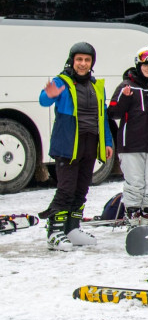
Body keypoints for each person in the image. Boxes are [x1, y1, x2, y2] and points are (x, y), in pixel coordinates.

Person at [39, 42, 113, 250]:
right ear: (72, 60)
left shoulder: (96, 86)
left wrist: (107, 141)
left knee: (81, 188)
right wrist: (50, 92)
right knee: (66, 189)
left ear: (92, 63)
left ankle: (72, 228)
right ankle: (55, 231)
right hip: (68, 144)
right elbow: (44, 101)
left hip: (90, 142)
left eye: (87, 60)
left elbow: (103, 116)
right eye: (79, 59)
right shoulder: (62, 81)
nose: (82, 64)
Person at [109, 47, 148, 225]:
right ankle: (133, 214)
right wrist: (125, 99)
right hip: (131, 144)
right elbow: (113, 113)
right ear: (138, 65)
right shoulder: (126, 85)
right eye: (145, 65)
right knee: (135, 183)